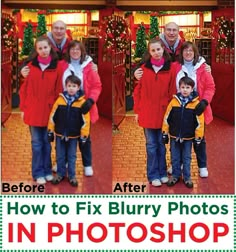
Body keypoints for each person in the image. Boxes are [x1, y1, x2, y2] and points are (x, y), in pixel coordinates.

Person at [19, 36, 63, 184]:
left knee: (47, 143)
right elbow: (24, 90)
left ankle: (47, 170)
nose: (43, 51)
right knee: (36, 144)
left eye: (46, 47)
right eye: (40, 48)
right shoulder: (30, 67)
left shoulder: (57, 67)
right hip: (33, 110)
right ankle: (38, 173)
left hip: (49, 111)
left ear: (50, 48)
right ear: (36, 50)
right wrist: (23, 108)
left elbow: (59, 91)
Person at [133, 38, 176, 187]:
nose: (156, 53)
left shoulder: (170, 69)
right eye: (153, 50)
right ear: (149, 52)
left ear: (163, 49)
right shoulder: (143, 69)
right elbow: (137, 92)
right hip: (147, 112)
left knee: (161, 145)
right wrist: (137, 110)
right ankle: (153, 175)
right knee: (151, 145)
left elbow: (172, 92)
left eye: (158, 49)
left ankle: (163, 172)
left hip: (163, 113)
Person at [173, 41, 215, 178]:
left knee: (199, 139)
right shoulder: (175, 67)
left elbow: (210, 87)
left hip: (198, 109)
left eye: (191, 50)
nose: (188, 53)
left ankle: (202, 165)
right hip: (180, 108)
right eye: (185, 50)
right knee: (180, 138)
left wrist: (204, 102)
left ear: (195, 52)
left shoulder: (203, 68)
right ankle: (177, 164)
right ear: (181, 53)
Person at [61, 40, 102, 177]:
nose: (75, 52)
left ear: (82, 51)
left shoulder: (89, 66)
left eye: (77, 49)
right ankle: (64, 162)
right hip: (66, 106)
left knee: (84, 138)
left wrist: (91, 100)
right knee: (65, 136)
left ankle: (87, 164)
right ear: (68, 51)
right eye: (72, 49)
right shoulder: (62, 66)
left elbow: (97, 85)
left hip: (84, 106)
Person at [47, 75, 90, 187]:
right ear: (65, 86)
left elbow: (86, 121)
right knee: (60, 155)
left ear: (78, 87)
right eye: (69, 85)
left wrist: (84, 135)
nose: (71, 88)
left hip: (73, 136)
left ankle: (72, 176)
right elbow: (52, 116)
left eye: (74, 86)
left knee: (72, 156)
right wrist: (50, 130)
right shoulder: (60, 100)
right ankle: (60, 174)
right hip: (60, 134)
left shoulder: (82, 103)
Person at [162, 76, 204, 188]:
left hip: (188, 138)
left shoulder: (196, 104)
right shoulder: (173, 102)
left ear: (192, 89)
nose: (185, 89)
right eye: (183, 87)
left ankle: (187, 177)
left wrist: (198, 137)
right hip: (174, 135)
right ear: (179, 88)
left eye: (188, 87)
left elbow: (200, 122)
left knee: (187, 158)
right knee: (174, 156)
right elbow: (167, 118)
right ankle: (175, 175)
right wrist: (164, 132)